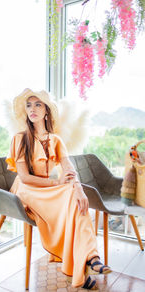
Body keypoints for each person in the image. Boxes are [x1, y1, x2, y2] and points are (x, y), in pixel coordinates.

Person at [6, 88, 111, 290]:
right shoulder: (20, 138)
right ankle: (83, 264)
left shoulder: (56, 140)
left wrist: (79, 190)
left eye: (38, 104)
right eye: (29, 105)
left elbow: (69, 169)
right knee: (67, 198)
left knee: (74, 198)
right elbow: (25, 178)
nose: (32, 109)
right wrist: (57, 183)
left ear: (47, 111)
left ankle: (90, 258)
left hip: (45, 190)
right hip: (26, 190)